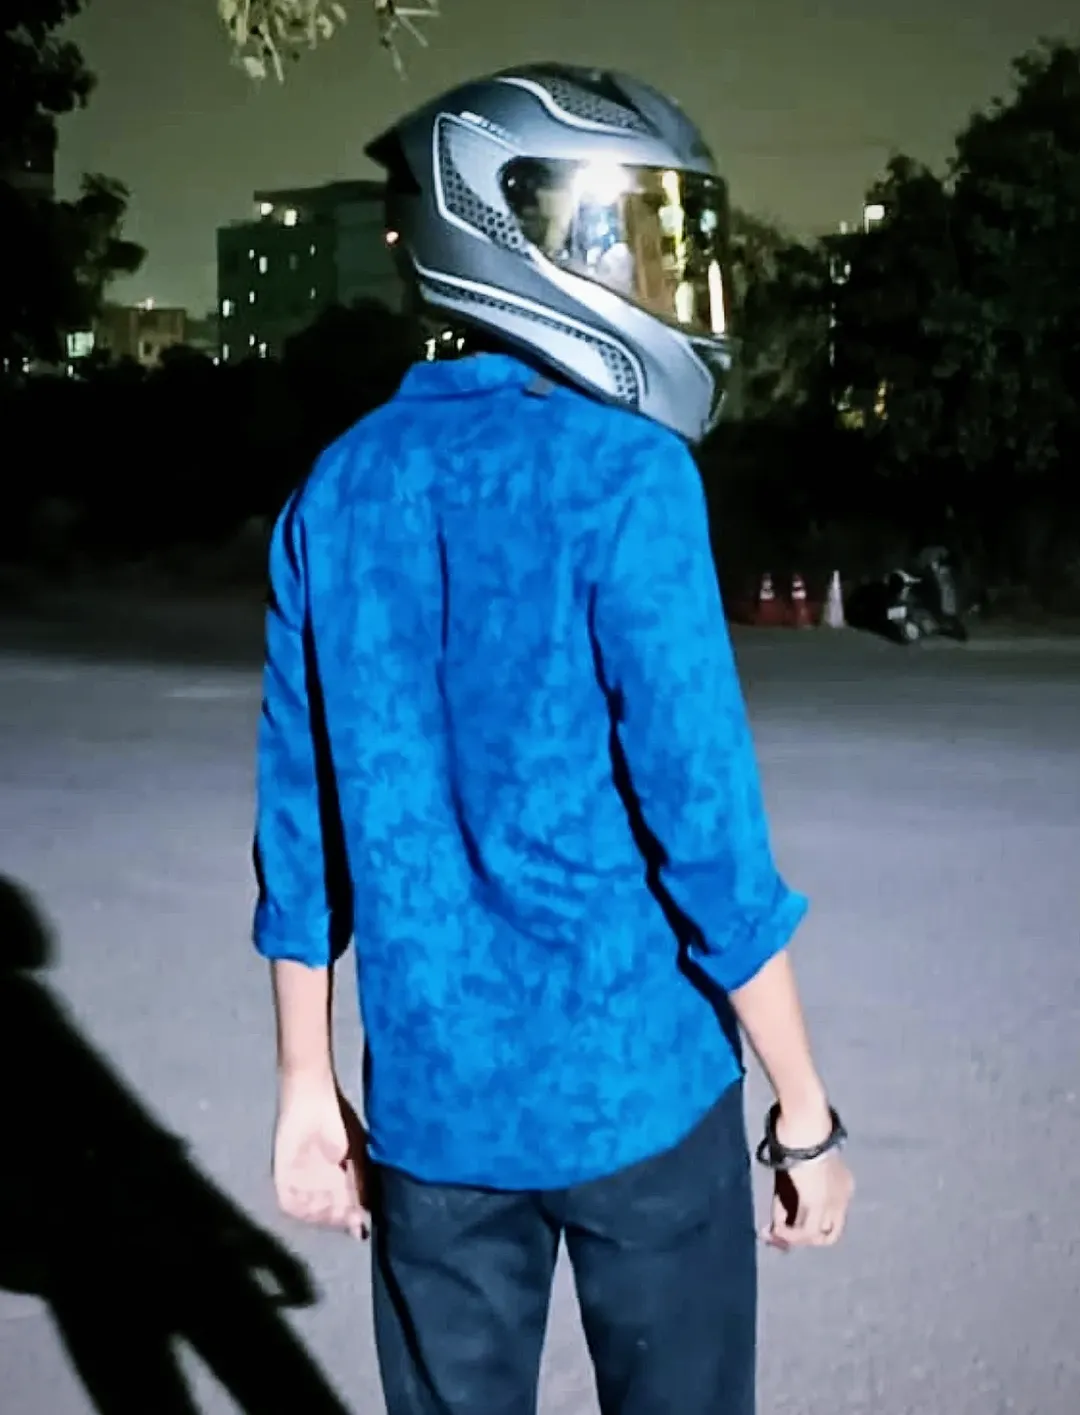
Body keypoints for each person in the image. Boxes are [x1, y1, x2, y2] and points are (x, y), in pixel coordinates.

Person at [253, 62, 854, 1415]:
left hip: (437, 1112)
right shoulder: (631, 475)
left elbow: (301, 839)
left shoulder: (333, 491)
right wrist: (806, 1112)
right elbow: (708, 836)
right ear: (507, 228)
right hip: (638, 1093)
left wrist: (304, 1086)